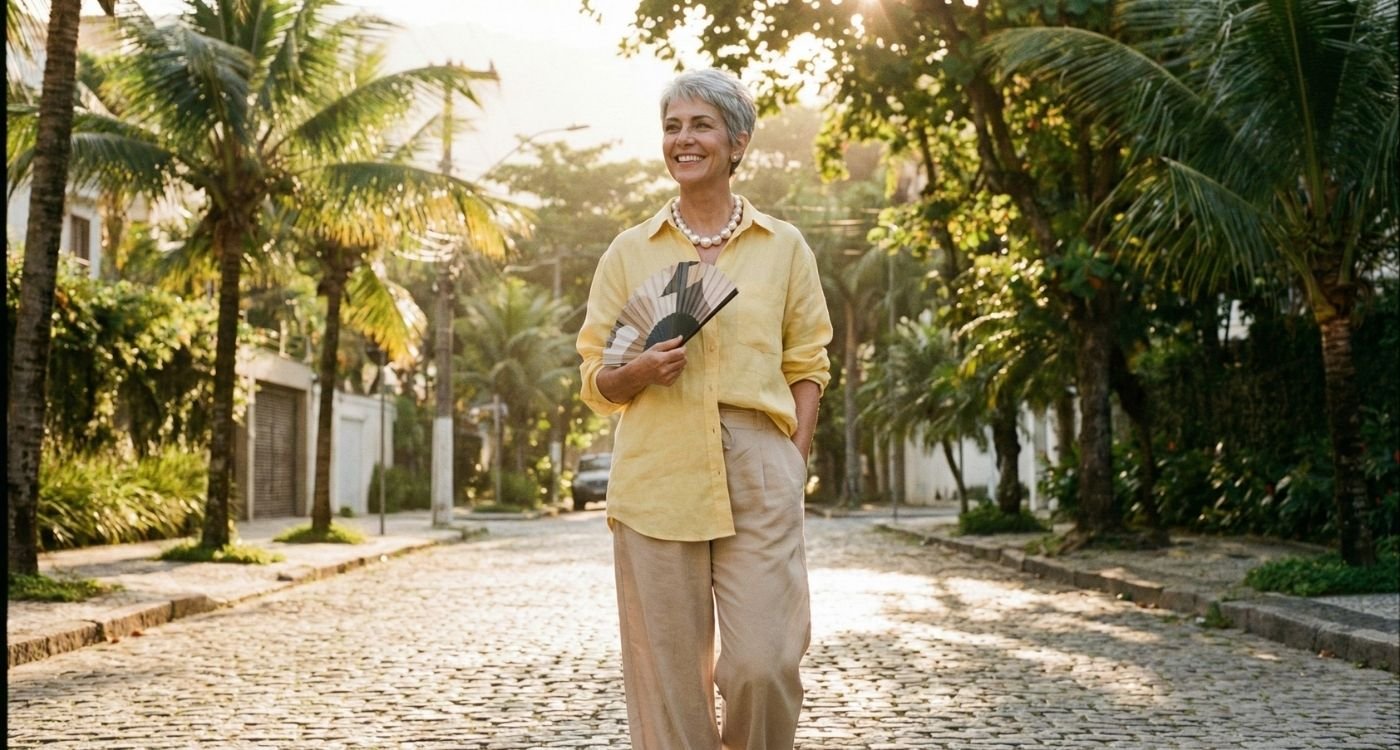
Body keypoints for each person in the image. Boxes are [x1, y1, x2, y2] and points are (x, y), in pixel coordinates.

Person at [575, 68, 833, 750]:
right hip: (657, 473)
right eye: (671, 127)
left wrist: (791, 461)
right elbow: (593, 379)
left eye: (700, 125)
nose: (682, 140)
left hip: (760, 468)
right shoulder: (630, 252)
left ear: (737, 141)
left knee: (764, 664)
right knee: (671, 687)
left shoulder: (784, 249)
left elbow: (809, 366)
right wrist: (636, 371)